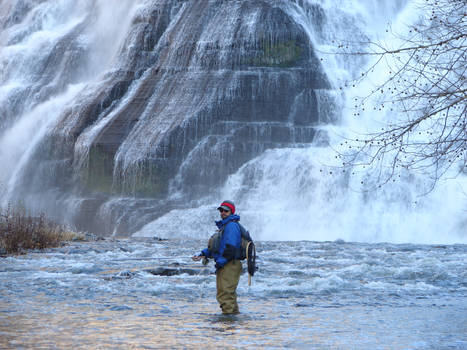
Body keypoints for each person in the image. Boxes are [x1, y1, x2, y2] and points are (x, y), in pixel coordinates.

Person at [192, 200, 242, 314]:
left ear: (231, 212)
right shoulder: (225, 226)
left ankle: (227, 324)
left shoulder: (232, 226)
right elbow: (218, 248)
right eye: (221, 210)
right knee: (228, 294)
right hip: (226, 264)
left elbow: (231, 248)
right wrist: (202, 254)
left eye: (226, 210)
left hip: (230, 265)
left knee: (225, 294)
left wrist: (219, 264)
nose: (223, 212)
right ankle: (232, 321)